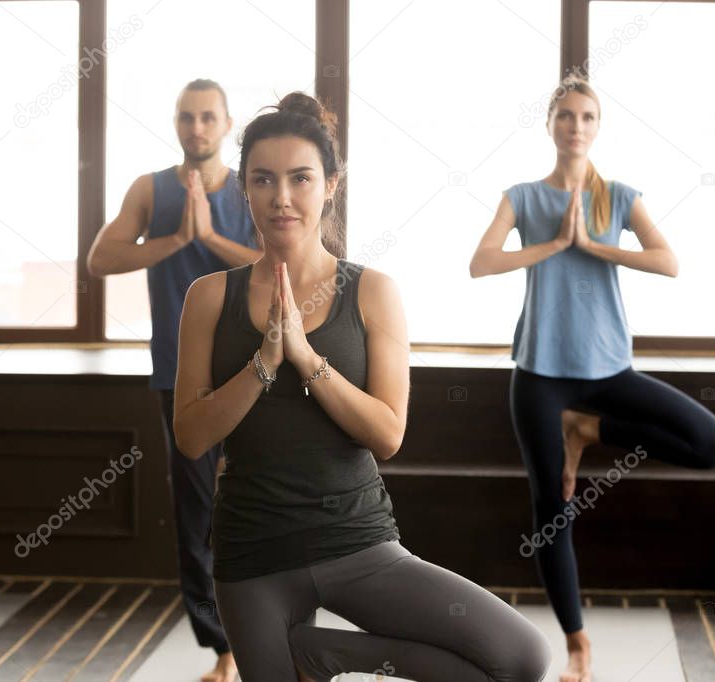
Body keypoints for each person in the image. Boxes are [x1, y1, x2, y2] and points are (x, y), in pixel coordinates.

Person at [173, 91, 551, 682]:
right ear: (243, 188)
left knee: (520, 659)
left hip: (359, 545)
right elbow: (192, 438)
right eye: (263, 180)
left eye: (301, 178)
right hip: (255, 557)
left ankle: (325, 654)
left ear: (331, 184)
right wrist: (265, 362)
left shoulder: (372, 291)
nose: (282, 197)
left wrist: (305, 356)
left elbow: (387, 434)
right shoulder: (208, 298)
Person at [469, 76, 715, 682]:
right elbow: (481, 263)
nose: (577, 127)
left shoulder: (617, 196)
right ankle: (578, 644)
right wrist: (555, 244)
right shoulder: (523, 197)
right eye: (566, 116)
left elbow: (668, 261)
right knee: (553, 510)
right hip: (539, 376)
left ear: (597, 126)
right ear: (550, 124)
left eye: (587, 117)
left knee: (713, 444)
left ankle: (588, 429)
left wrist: (594, 246)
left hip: (608, 371)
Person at [86, 78, 261, 682]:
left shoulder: (249, 188)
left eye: (208, 117)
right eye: (186, 117)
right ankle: (224, 650)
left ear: (227, 123)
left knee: (255, 507)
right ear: (176, 122)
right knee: (197, 516)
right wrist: (178, 239)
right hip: (178, 376)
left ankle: (270, 637)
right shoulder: (151, 189)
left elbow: (282, 263)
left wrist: (210, 238)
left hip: (253, 373)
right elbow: (100, 260)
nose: (196, 128)